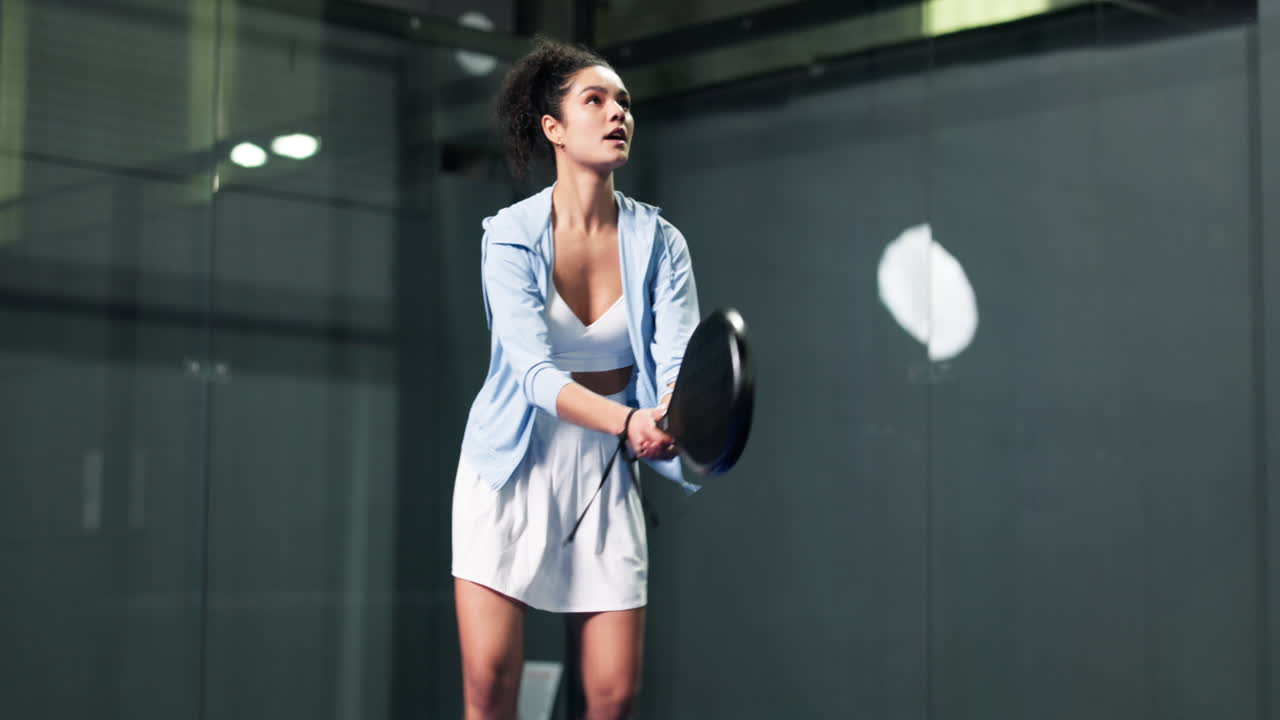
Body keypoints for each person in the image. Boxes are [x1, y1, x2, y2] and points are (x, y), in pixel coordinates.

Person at [451, 36, 701, 720]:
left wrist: (669, 417)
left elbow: (678, 361)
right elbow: (531, 371)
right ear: (553, 128)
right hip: (509, 469)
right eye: (596, 99)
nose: (618, 112)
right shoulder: (508, 235)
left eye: (624, 101)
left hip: (603, 473)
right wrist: (630, 420)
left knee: (615, 696)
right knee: (491, 686)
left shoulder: (662, 242)